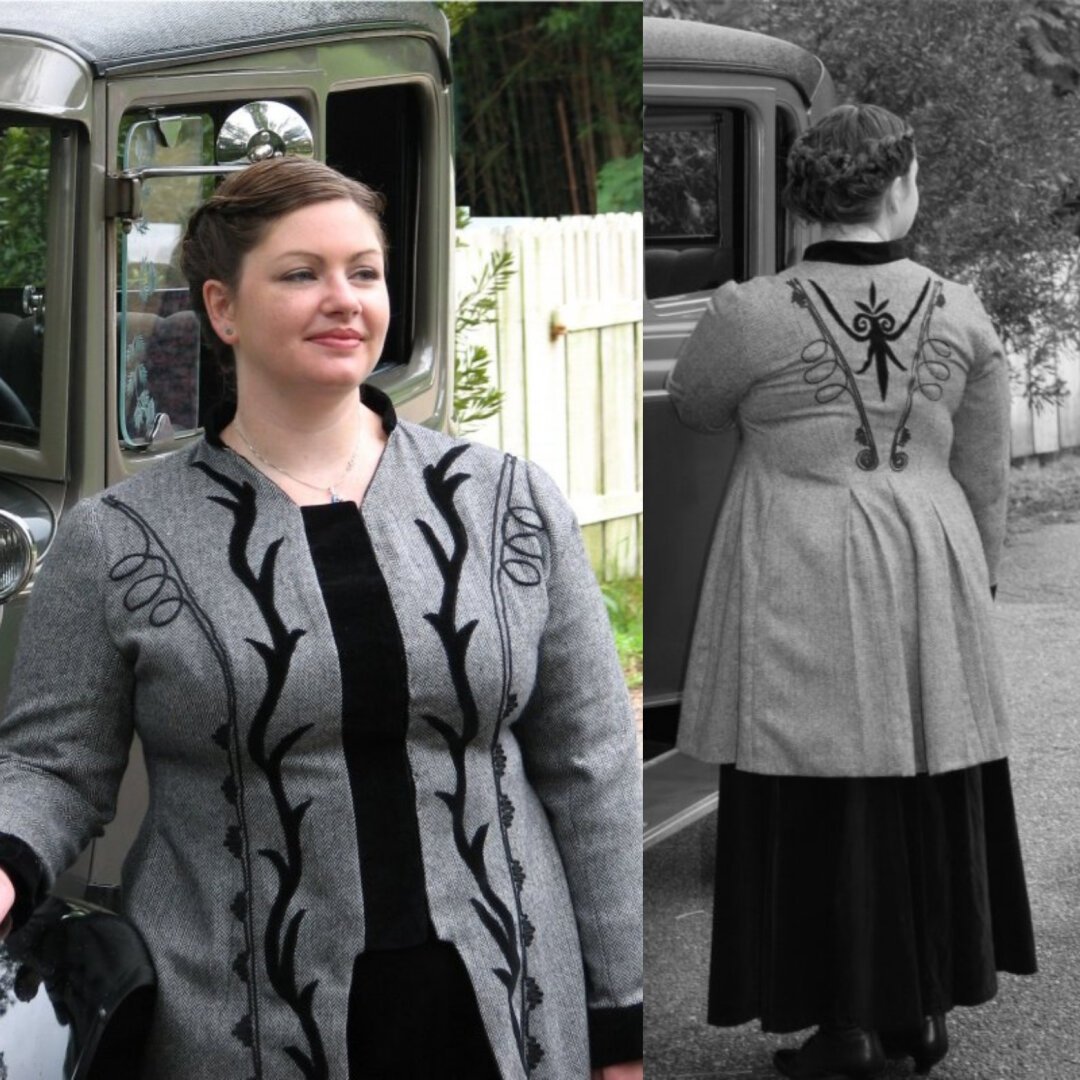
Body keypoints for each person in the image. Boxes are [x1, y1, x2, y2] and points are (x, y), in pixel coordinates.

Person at [0, 156, 643, 1080]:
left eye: (365, 272)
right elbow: (51, 766)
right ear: (223, 309)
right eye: (301, 273)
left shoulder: (507, 502)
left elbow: (592, 767)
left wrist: (620, 1019)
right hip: (235, 1022)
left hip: (508, 1014)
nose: (343, 298)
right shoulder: (123, 537)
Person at [667, 104, 1036, 1079]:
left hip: (796, 557)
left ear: (800, 199)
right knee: (922, 779)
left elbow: (696, 405)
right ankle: (916, 1004)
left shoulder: (747, 312)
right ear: (902, 190)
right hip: (931, 555)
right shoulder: (963, 311)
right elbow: (987, 476)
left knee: (813, 791)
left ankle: (843, 1024)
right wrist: (972, 588)